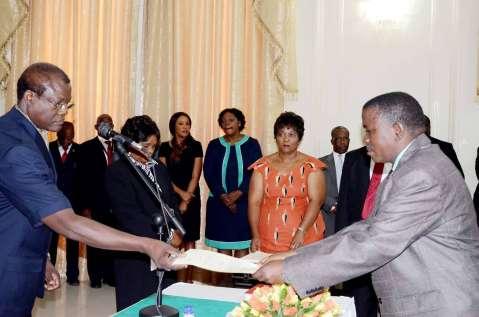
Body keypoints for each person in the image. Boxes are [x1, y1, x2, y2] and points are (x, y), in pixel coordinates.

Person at [253, 92, 479, 316]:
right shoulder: (415, 165)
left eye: (370, 131)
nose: (366, 140)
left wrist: (291, 270)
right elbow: (369, 227)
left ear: (397, 130)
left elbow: (375, 243)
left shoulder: (421, 174)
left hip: (439, 306)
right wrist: (295, 256)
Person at [0, 62, 180, 316]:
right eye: (58, 104)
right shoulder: (16, 147)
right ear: (30, 97)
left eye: (67, 105)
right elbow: (67, 222)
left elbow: (17, 209)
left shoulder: (21, 132)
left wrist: (43, 259)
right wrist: (146, 245)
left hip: (19, 261)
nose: (64, 112)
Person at [106, 115, 181, 311]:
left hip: (166, 251)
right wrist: (165, 236)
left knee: (166, 305)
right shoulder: (118, 172)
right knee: (137, 306)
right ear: (130, 143)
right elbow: (128, 216)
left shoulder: (160, 169)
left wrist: (177, 232)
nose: (150, 151)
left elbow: (172, 203)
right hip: (135, 254)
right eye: (145, 146)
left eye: (154, 146)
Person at [249, 112, 326, 253]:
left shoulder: (311, 166)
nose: (286, 139)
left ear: (299, 139)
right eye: (281, 134)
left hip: (305, 236)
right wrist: (255, 235)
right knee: (270, 274)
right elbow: (254, 202)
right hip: (268, 237)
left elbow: (317, 201)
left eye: (291, 135)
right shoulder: (261, 166)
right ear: (275, 138)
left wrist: (301, 231)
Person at [203, 108, 262, 259]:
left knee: (243, 251)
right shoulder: (214, 145)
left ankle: (239, 283)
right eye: (223, 121)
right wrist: (224, 196)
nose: (226, 123)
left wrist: (239, 193)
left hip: (244, 205)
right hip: (219, 204)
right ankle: (224, 283)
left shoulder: (252, 144)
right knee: (223, 255)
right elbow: (209, 173)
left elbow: (256, 172)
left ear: (239, 122)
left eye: (231, 120)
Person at [334, 145, 384, 317]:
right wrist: (340, 243)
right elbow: (344, 204)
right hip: (358, 243)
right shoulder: (354, 158)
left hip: (390, 245)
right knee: (360, 302)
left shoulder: (402, 158)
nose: (368, 137)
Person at [159, 112, 203, 283]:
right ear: (173, 126)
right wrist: (180, 195)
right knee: (174, 240)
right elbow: (164, 176)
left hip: (191, 199)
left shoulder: (196, 146)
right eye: (181, 124)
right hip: (171, 198)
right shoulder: (164, 147)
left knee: (190, 240)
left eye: (187, 124)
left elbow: (195, 176)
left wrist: (187, 199)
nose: (185, 127)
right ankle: (173, 282)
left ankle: (188, 282)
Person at [77, 113, 117, 288]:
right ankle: (95, 277)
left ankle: (110, 276)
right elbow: (81, 180)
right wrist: (85, 207)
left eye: (109, 123)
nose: (107, 126)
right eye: (103, 123)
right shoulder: (86, 148)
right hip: (95, 203)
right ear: (96, 127)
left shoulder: (119, 147)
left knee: (113, 240)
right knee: (94, 240)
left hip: (115, 205)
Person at [48, 121, 81, 285]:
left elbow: (83, 180)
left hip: (72, 205)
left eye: (72, 138)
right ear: (59, 135)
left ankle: (73, 277)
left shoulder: (79, 150)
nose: (69, 141)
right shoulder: (48, 148)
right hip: (52, 204)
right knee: (50, 242)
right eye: (66, 138)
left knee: (73, 241)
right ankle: (50, 275)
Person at [319, 126, 349, 237]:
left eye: (345, 138)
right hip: (328, 216)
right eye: (339, 138)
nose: (342, 142)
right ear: (332, 141)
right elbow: (317, 189)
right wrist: (331, 205)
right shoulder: (320, 163)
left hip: (350, 215)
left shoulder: (357, 162)